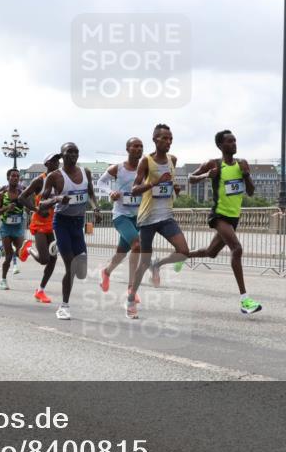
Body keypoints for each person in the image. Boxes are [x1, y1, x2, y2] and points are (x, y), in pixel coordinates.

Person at [185, 129, 262, 315]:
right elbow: (190, 178)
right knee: (237, 248)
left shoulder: (242, 164)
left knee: (210, 253)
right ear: (220, 145)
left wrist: (246, 175)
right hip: (218, 216)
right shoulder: (214, 164)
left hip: (234, 217)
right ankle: (245, 300)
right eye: (229, 141)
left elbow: (251, 192)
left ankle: (182, 255)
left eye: (235, 140)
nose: (234, 144)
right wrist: (206, 176)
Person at [125, 124, 190, 319]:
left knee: (184, 252)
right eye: (164, 138)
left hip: (166, 216)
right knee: (143, 262)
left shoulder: (173, 159)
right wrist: (155, 182)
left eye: (171, 139)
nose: (168, 142)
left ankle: (158, 265)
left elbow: (170, 183)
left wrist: (174, 187)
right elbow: (134, 189)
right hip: (148, 218)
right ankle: (130, 299)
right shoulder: (146, 161)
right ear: (155, 139)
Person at [38, 142, 102, 320]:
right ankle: (64, 306)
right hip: (62, 223)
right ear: (62, 155)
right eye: (69, 152)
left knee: (81, 271)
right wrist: (57, 198)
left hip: (78, 223)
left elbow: (90, 193)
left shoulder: (85, 172)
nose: (73, 155)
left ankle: (57, 244)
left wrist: (96, 209)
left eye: (76, 152)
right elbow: (41, 204)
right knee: (70, 267)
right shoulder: (54, 176)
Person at [96, 138, 144, 300]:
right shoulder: (118, 168)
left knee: (122, 253)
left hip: (138, 216)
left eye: (141, 147)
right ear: (128, 149)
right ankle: (132, 289)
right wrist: (110, 192)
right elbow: (100, 182)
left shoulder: (145, 169)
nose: (138, 149)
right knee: (136, 245)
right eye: (135, 146)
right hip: (121, 215)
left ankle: (106, 272)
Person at [17, 152, 62, 304]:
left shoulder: (59, 180)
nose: (57, 163)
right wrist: (36, 209)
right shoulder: (39, 180)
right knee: (44, 259)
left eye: (58, 161)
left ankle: (40, 290)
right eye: (54, 161)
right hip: (39, 224)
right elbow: (22, 197)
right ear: (47, 164)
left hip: (53, 224)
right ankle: (28, 249)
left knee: (53, 259)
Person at [0, 168, 26, 290]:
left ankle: (0, 248)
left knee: (20, 252)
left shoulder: (22, 193)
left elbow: (29, 204)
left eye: (17, 176)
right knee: (8, 256)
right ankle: (3, 280)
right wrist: (6, 208)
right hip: (6, 228)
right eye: (13, 176)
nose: (15, 178)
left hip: (18, 227)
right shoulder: (2, 194)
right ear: (8, 178)